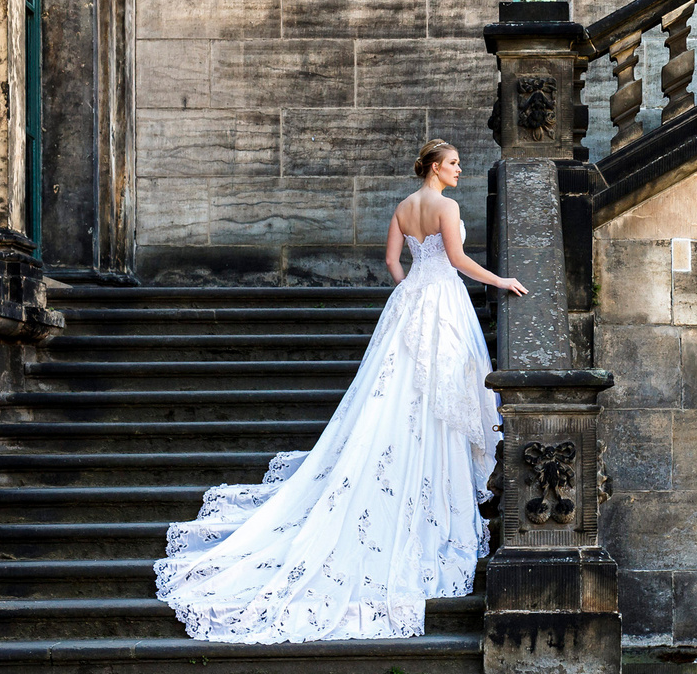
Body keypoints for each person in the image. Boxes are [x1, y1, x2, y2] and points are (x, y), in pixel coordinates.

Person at [154, 139, 527, 642]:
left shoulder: (403, 207)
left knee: (402, 396)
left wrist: (409, 288)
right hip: (442, 304)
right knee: (436, 394)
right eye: (455, 163)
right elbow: (458, 259)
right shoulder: (446, 205)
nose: (460, 169)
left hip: (411, 301)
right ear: (436, 168)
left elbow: (394, 263)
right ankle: (441, 484)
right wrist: (501, 280)